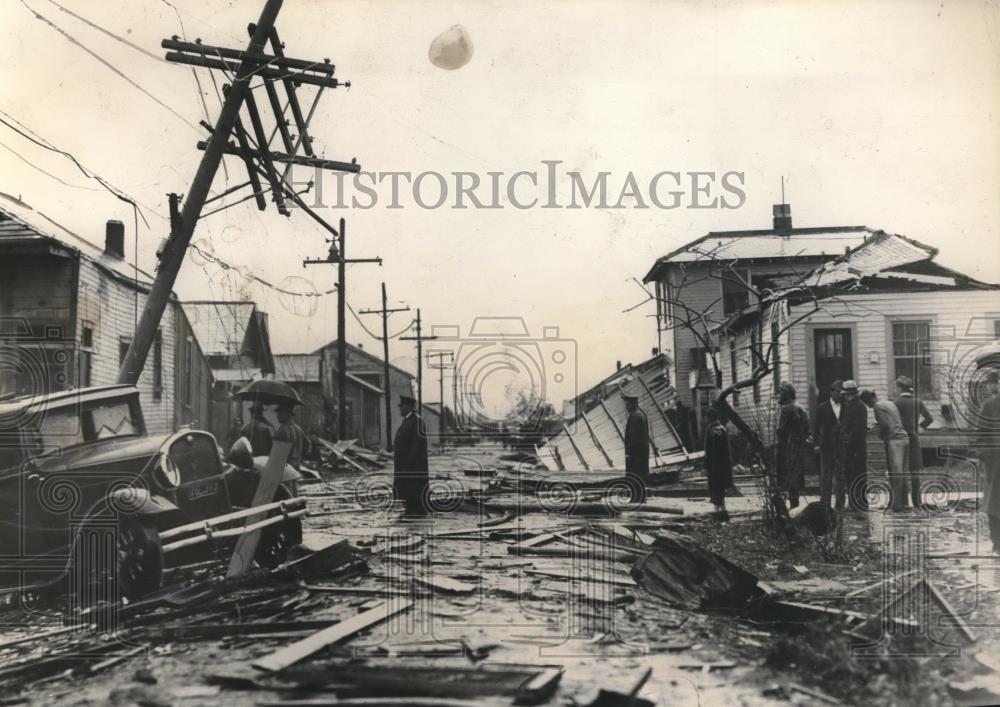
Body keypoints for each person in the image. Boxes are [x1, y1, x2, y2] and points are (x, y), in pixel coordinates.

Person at [860, 389, 910, 511]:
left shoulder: (877, 406)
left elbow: (885, 425)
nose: (869, 406)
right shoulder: (889, 403)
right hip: (905, 438)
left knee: (895, 474)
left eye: (867, 403)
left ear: (869, 400)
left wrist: (881, 435)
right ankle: (904, 503)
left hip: (894, 441)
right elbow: (895, 421)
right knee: (903, 473)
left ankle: (896, 505)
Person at [893, 375, 933, 508]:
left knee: (902, 470)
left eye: (897, 387)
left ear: (900, 387)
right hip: (914, 439)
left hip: (900, 440)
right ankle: (917, 502)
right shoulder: (917, 401)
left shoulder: (896, 402)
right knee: (915, 472)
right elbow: (929, 418)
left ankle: (904, 502)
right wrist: (919, 428)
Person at [393, 394, 429, 517]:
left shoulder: (417, 421)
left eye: (401, 406)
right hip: (406, 463)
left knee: (415, 487)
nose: (400, 409)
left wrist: (409, 462)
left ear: (408, 407)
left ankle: (417, 511)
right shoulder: (408, 421)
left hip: (414, 464)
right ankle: (411, 509)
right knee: (409, 487)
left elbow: (416, 444)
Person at [775, 382, 809, 508]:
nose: (779, 396)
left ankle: (792, 505)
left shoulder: (787, 409)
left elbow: (781, 431)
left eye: (781, 392)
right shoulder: (801, 407)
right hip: (799, 446)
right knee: (795, 474)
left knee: (788, 476)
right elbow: (807, 430)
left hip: (787, 447)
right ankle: (795, 502)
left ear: (786, 394)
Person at [814, 380, 845, 510]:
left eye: (842, 392)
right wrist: (816, 444)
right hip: (826, 447)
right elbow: (816, 427)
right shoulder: (822, 407)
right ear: (831, 392)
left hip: (841, 447)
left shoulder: (846, 406)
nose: (840, 395)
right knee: (826, 476)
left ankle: (840, 505)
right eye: (838, 392)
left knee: (840, 477)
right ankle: (825, 504)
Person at [978, 371, 1000, 553]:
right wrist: (987, 456)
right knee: (995, 502)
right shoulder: (990, 405)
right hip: (996, 462)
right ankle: (997, 541)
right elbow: (980, 435)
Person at [839, 380, 869, 511]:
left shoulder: (858, 407)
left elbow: (857, 430)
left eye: (846, 394)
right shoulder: (851, 406)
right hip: (851, 448)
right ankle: (854, 503)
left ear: (852, 394)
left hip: (856, 448)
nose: (845, 397)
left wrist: (849, 443)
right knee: (851, 476)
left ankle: (859, 504)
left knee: (857, 476)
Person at [702, 405, 733, 521]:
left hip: (714, 465)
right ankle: (724, 511)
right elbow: (727, 450)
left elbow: (709, 451)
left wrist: (706, 464)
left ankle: (716, 513)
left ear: (708, 418)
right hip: (724, 464)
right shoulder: (723, 429)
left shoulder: (710, 431)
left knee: (715, 488)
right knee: (721, 488)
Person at [623, 389, 650, 504]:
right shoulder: (639, 414)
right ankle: (638, 498)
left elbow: (633, 437)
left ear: (632, 403)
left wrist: (629, 452)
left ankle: (637, 499)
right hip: (641, 453)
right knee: (639, 475)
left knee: (635, 475)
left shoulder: (635, 416)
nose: (625, 405)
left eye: (627, 403)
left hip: (636, 453)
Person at [276, 400, 310, 469]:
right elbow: (308, 445)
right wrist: (301, 457)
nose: (278, 415)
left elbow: (277, 453)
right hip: (297, 465)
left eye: (281, 412)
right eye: (278, 412)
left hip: (286, 467)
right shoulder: (299, 429)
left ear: (289, 414)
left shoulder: (282, 430)